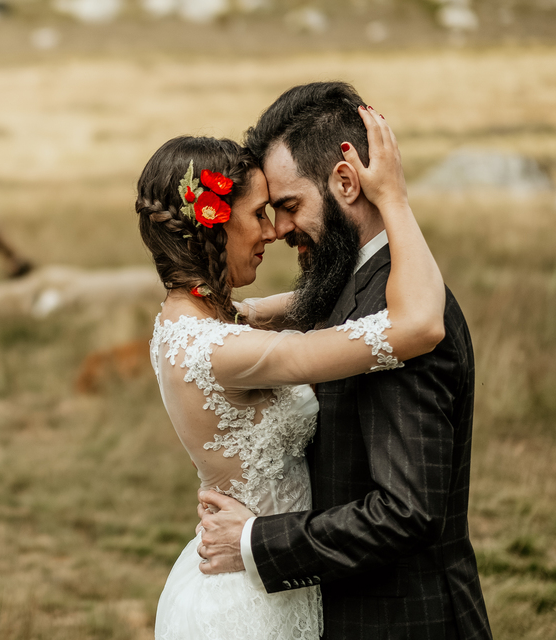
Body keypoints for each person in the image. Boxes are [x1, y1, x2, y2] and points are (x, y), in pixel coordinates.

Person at [137, 105, 448, 639]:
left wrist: (257, 309)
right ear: (212, 224)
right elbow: (418, 325)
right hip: (251, 600)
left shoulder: (189, 324)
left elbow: (299, 305)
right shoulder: (223, 350)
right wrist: (393, 198)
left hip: (273, 575)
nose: (273, 231)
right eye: (259, 214)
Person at [194, 83, 491, 639]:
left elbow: (406, 512)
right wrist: (242, 314)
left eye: (290, 206)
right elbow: (320, 314)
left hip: (402, 623)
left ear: (347, 183)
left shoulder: (397, 315)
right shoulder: (360, 284)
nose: (280, 230)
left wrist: (255, 541)